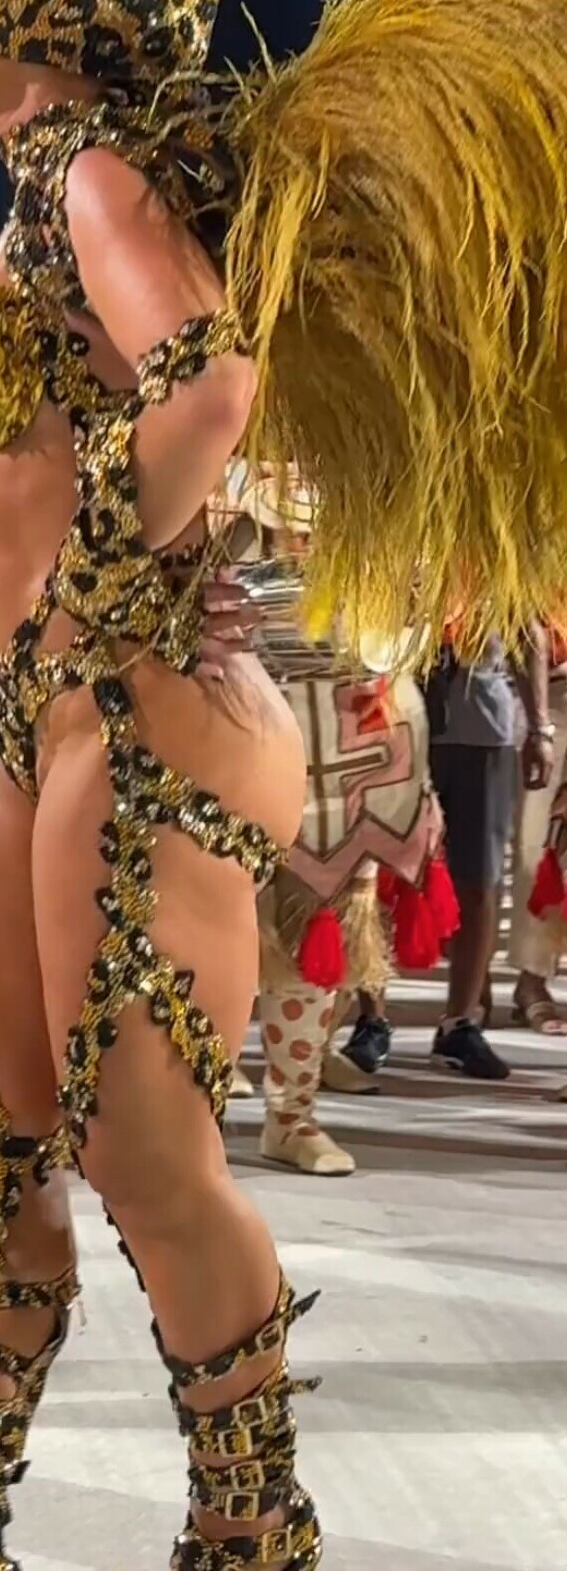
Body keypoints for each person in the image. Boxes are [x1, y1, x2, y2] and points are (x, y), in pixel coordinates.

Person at [0, 0, 567, 1571]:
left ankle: (252, 1532)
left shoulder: (93, 175)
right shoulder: (42, 188)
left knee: (140, 1152)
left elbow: (207, 381)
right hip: (33, 720)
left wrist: (98, 585)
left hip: (142, 710)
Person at [218, 467, 453, 1176]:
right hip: (230, 740)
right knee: (206, 936)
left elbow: (408, 625)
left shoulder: (380, 514)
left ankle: (291, 1115)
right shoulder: (219, 503)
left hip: (349, 752)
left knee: (317, 938)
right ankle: (193, 1102)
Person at [426, 630, 553, 1080]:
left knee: (479, 874)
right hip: (391, 718)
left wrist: (539, 727)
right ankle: (371, 1021)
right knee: (377, 873)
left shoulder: (495, 576)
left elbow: (528, 634)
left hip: (480, 727)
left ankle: (459, 1021)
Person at [508, 626, 567, 1033]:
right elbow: (526, 634)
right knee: (536, 847)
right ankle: (531, 981)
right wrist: (539, 725)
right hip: (551, 709)